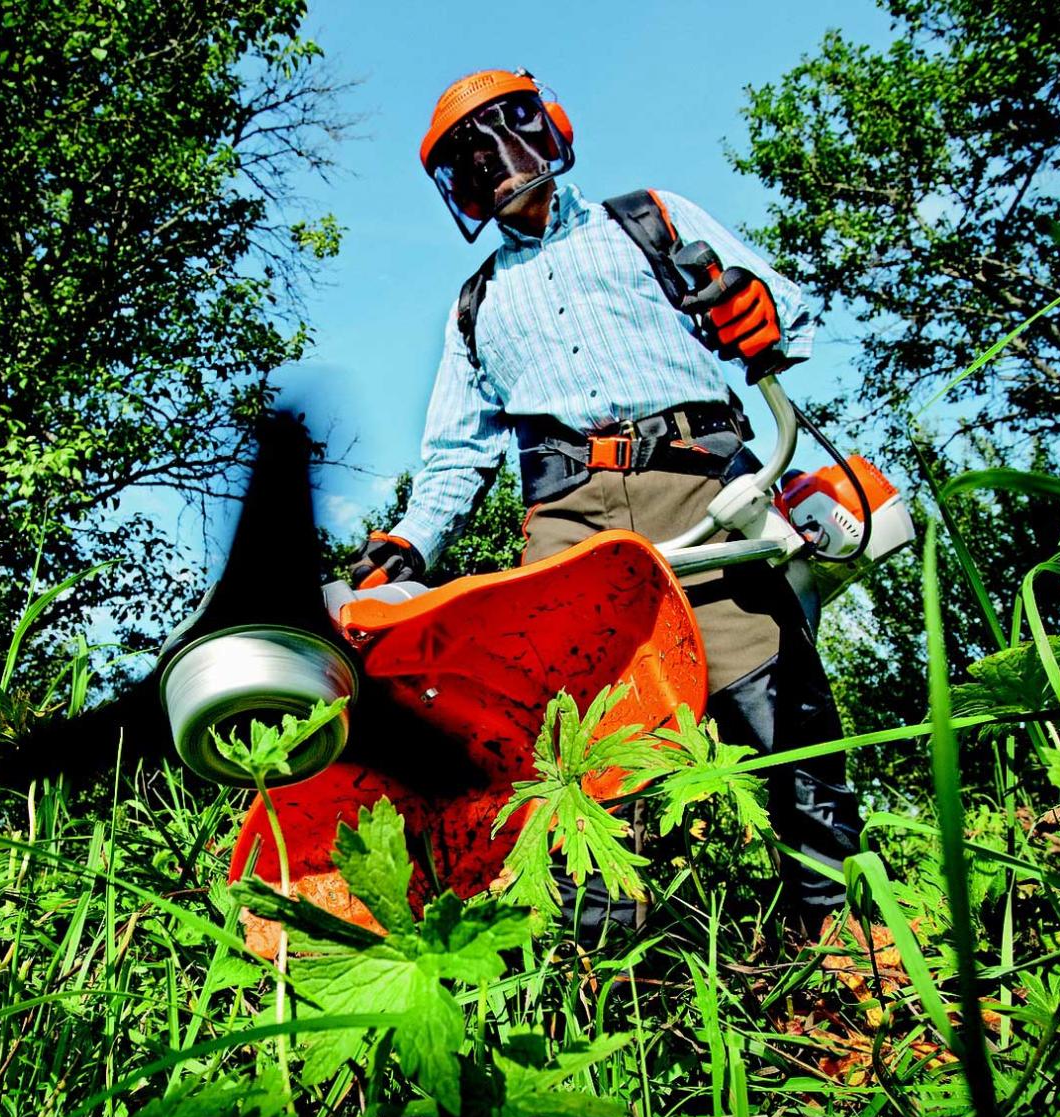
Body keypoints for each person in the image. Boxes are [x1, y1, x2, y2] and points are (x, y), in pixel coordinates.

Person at [349, 68, 864, 937]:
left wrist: (757, 308)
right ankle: (605, 964)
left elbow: (788, 310)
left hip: (697, 478)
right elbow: (453, 455)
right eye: (472, 163)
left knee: (773, 702)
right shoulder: (475, 304)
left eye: (511, 137)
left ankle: (847, 934)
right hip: (569, 516)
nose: (500, 168)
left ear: (550, 128)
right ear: (458, 190)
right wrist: (410, 541)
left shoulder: (647, 219)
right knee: (569, 740)